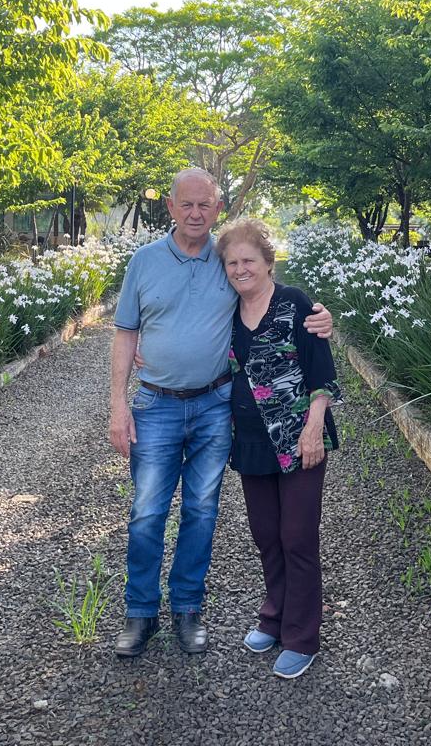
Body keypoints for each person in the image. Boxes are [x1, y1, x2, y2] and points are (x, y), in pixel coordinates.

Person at [109, 169, 332, 659]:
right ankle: (140, 612)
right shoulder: (145, 262)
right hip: (157, 406)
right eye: (186, 204)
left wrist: (321, 317)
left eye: (204, 205)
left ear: (217, 208)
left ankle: (188, 609)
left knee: (202, 512)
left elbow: (278, 304)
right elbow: (126, 332)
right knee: (147, 512)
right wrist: (118, 404)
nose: (195, 213)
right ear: (170, 207)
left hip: (215, 407)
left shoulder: (226, 260)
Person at [216, 218, 340, 680]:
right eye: (232, 263)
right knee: (266, 534)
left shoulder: (295, 305)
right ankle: (274, 616)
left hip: (298, 438)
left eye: (249, 260)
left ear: (269, 263)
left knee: (298, 536)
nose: (240, 269)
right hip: (250, 440)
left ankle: (302, 636)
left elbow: (322, 372)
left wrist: (314, 428)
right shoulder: (226, 311)